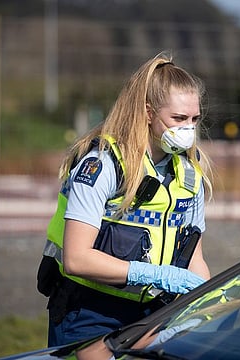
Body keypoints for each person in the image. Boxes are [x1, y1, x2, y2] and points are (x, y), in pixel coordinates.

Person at [36, 51, 213, 347]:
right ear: (147, 113)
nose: (189, 129)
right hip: (89, 311)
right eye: (179, 118)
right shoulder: (102, 164)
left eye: (194, 119)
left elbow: (195, 258)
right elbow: (77, 258)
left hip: (152, 311)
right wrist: (154, 274)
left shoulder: (189, 174)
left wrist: (205, 301)